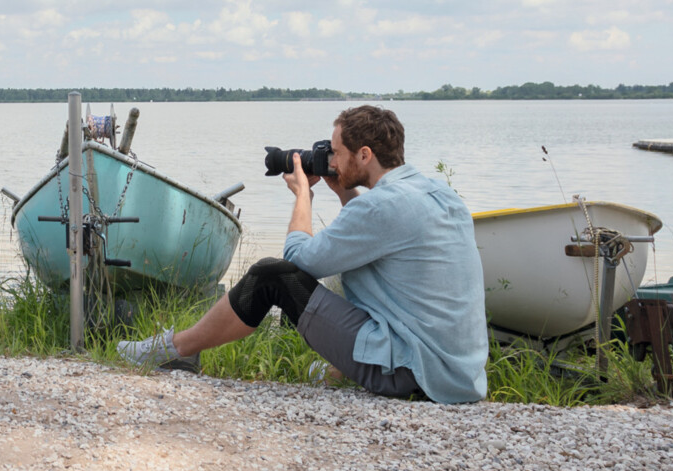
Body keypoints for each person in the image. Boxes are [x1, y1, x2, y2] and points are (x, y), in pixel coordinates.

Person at [116, 105, 488, 404]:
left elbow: (298, 259)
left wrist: (303, 196)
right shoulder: (437, 194)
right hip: (458, 376)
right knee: (375, 283)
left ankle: (174, 351)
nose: (333, 161)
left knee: (272, 275)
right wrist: (343, 192)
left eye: (338, 153)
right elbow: (378, 241)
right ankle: (336, 372)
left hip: (414, 374)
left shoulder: (382, 207)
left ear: (365, 154)